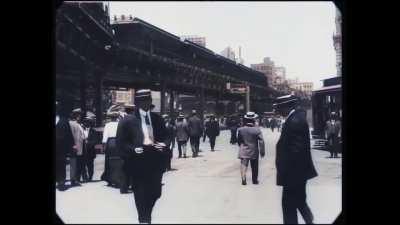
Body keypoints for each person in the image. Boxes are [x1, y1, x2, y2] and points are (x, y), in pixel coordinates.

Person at [116, 89, 168, 224]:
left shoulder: (158, 119)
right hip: (137, 163)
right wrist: (133, 149)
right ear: (137, 103)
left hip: (156, 161)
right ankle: (144, 219)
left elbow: (166, 136)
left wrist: (164, 144)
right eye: (142, 100)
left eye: (148, 100)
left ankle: (146, 216)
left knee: (156, 193)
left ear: (151, 101)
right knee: (140, 193)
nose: (146, 102)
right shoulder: (127, 121)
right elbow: (120, 143)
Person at [274, 95, 318, 224]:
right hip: (296, 173)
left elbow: (296, 151)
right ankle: (310, 220)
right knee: (299, 201)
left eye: (279, 108)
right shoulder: (295, 119)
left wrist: (289, 175)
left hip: (293, 174)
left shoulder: (294, 121)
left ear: (288, 106)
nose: (278, 111)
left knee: (288, 206)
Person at [237, 112, 265, 185]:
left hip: (243, 149)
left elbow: (239, 140)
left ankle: (243, 178)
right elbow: (261, 142)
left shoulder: (241, 129)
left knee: (243, 164)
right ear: (253, 120)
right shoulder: (257, 130)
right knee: (254, 166)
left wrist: (241, 146)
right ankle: (254, 180)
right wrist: (262, 152)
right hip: (254, 150)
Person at [56, 97, 74, 191]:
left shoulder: (63, 120)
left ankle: (61, 182)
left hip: (60, 148)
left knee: (61, 164)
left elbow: (68, 134)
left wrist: (71, 145)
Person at [101, 111, 120, 187]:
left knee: (108, 161)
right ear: (117, 118)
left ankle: (109, 179)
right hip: (118, 142)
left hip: (110, 142)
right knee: (118, 160)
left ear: (111, 118)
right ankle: (117, 178)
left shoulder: (108, 125)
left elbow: (105, 137)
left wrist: (103, 146)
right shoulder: (119, 124)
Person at [69, 110, 86, 187]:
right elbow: (71, 136)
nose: (80, 117)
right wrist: (73, 145)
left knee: (77, 163)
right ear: (76, 116)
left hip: (80, 146)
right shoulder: (72, 124)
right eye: (79, 115)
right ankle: (73, 179)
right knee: (74, 164)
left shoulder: (78, 124)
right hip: (75, 147)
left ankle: (75, 179)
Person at [82, 117, 97, 182]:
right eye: (85, 122)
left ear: (90, 123)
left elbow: (95, 141)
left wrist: (88, 143)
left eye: (87, 122)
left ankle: (90, 177)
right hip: (83, 150)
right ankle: (84, 177)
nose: (86, 123)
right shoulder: (81, 130)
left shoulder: (93, 131)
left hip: (90, 151)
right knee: (83, 165)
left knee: (90, 165)